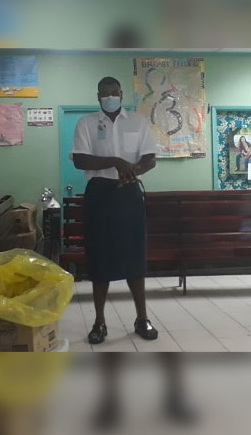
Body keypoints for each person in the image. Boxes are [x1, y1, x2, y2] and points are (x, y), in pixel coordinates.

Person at [71, 76, 158, 344]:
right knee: (99, 258)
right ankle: (99, 322)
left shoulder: (138, 122)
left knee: (135, 256)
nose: (110, 97)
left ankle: (142, 319)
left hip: (129, 192)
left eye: (114, 92)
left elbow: (150, 159)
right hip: (99, 194)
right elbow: (80, 159)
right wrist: (115, 162)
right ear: (98, 96)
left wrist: (132, 171)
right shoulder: (86, 123)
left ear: (121, 94)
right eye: (105, 93)